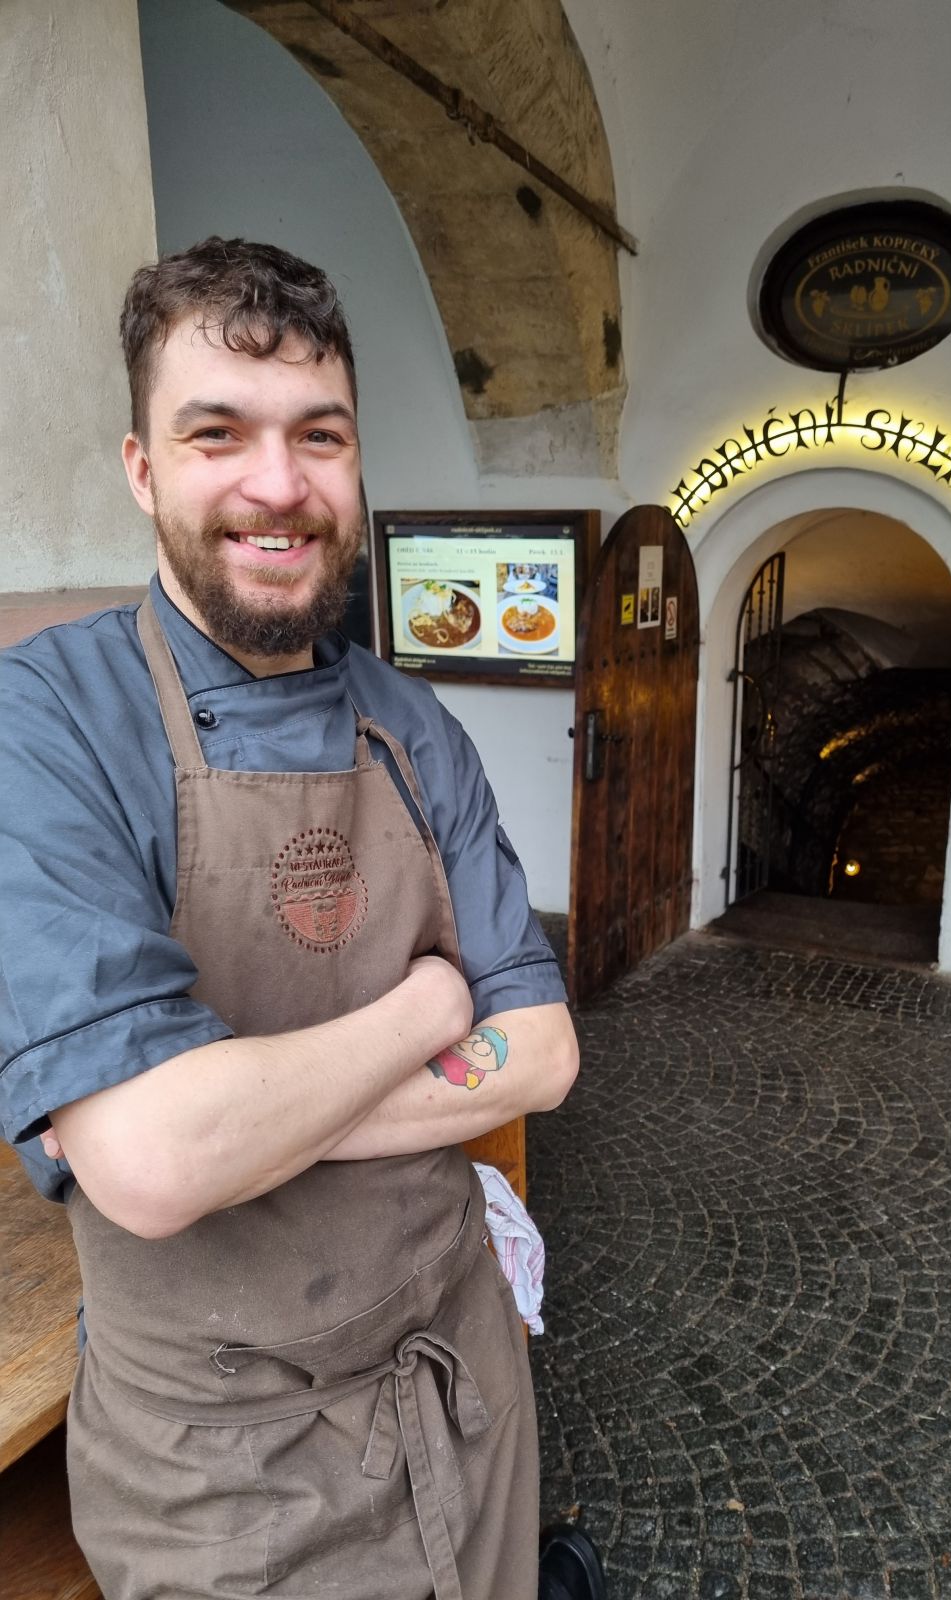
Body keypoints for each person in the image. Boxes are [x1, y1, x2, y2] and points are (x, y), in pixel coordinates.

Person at [0, 237, 602, 1600]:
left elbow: (547, 1052)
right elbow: (156, 1163)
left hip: (463, 1388)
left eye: (319, 435)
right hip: (226, 1480)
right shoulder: (48, 723)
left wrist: (229, 1121)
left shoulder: (415, 722)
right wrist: (430, 1006)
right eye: (217, 433)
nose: (278, 484)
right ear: (142, 468)